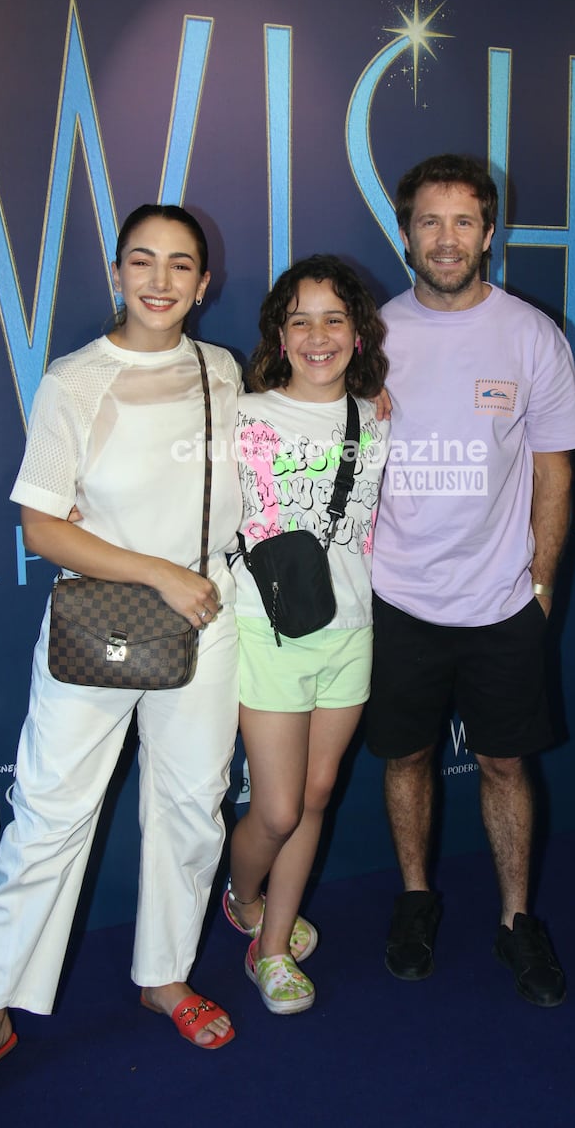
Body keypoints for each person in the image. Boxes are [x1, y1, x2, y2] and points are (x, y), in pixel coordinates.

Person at [0, 203, 243, 1121]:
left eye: (180, 264)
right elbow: (41, 524)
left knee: (189, 808)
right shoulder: (76, 379)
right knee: (46, 818)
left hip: (211, 615)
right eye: (142, 261)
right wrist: (158, 573)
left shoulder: (222, 370)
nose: (160, 280)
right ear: (117, 273)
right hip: (102, 621)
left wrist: (372, 398)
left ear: (203, 283)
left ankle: (164, 977)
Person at [366, 154, 575, 1006]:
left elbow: (554, 472)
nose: (446, 238)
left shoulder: (531, 334)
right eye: (429, 221)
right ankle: (416, 898)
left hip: (501, 605)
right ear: (406, 233)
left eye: (463, 221)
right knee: (408, 756)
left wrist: (539, 584)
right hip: (398, 600)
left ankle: (514, 920)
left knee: (502, 764)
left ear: (489, 233)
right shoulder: (371, 335)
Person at [223, 255, 390, 1014]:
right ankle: (243, 893)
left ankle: (271, 949)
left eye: (334, 318)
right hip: (268, 632)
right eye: (300, 320)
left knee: (318, 792)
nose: (317, 335)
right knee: (280, 807)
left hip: (352, 627)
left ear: (357, 333)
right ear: (278, 335)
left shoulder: (377, 414)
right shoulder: (242, 415)